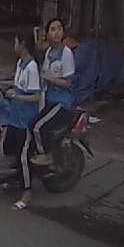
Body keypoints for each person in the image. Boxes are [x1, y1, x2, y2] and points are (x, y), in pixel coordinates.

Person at [4, 31, 45, 210]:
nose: (14, 45)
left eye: (15, 42)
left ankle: (27, 193)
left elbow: (36, 96)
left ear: (22, 44)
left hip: (26, 120)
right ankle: (15, 179)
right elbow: (17, 86)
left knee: (23, 156)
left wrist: (17, 96)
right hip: (15, 117)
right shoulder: (20, 63)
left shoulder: (32, 67)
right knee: (9, 148)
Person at [31, 18, 78, 166]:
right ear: (47, 34)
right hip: (49, 98)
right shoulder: (49, 52)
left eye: (59, 28)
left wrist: (52, 79)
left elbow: (69, 83)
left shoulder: (66, 53)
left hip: (62, 102)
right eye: (53, 29)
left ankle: (47, 155)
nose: (57, 32)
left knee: (37, 127)